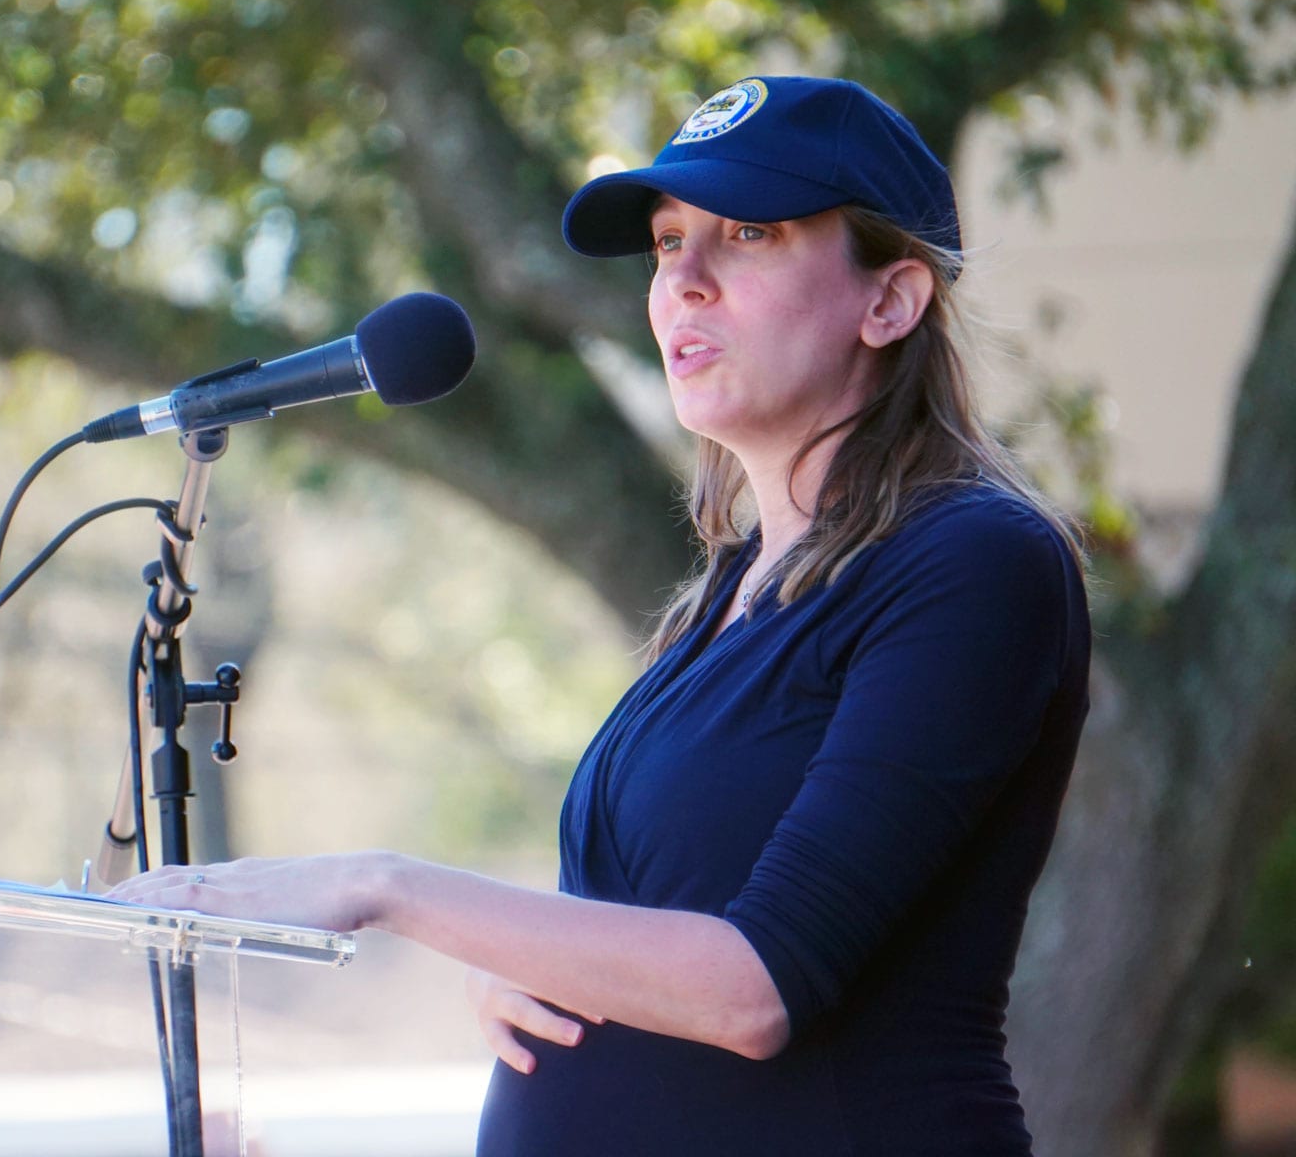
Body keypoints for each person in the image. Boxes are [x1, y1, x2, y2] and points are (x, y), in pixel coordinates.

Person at [118, 76, 1091, 1156]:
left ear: (890, 302)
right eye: (669, 245)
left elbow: (757, 989)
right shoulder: (730, 590)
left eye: (749, 234)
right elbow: (673, 911)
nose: (686, 282)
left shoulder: (973, 563)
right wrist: (530, 957)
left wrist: (380, 885)